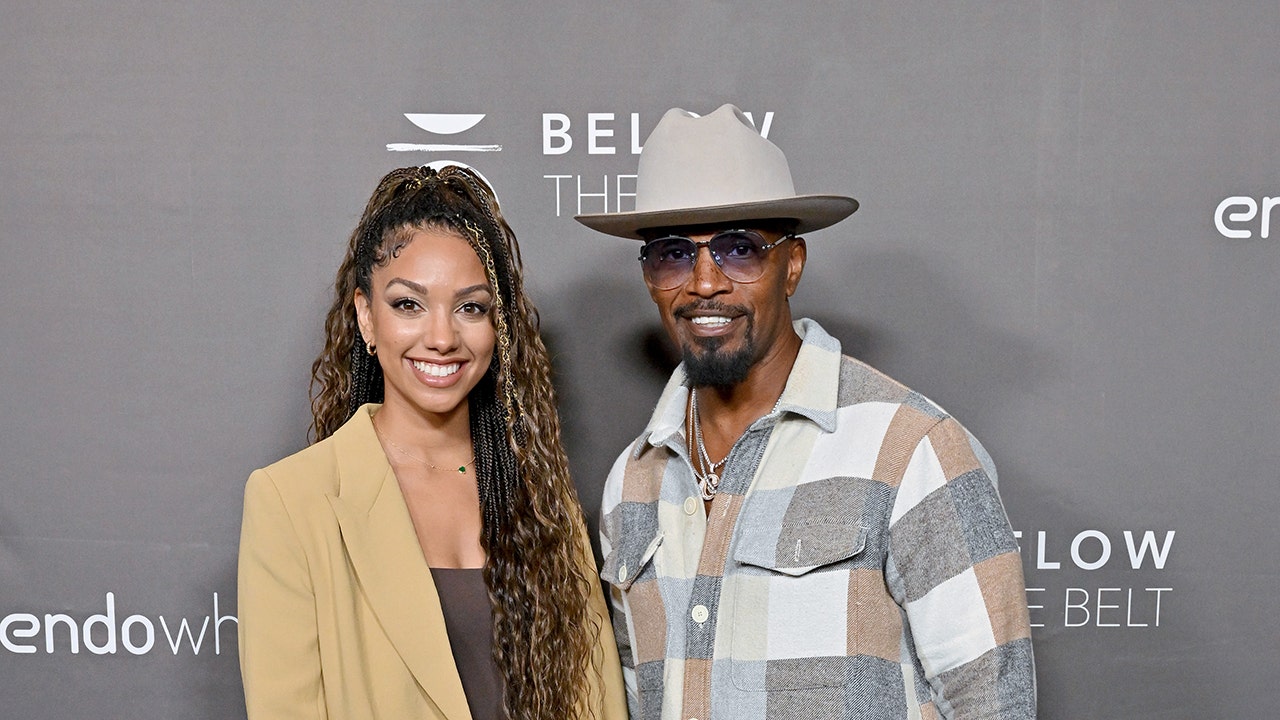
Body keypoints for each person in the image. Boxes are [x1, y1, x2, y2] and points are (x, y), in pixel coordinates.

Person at [576, 105, 1036, 719]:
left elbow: (992, 703)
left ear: (790, 266)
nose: (705, 283)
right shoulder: (632, 480)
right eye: (672, 254)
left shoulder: (910, 449)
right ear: (650, 277)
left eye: (739, 250)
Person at [238, 164, 627, 720]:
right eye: (408, 304)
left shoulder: (544, 502)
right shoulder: (292, 502)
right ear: (366, 318)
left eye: (471, 307)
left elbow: (599, 705)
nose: (442, 337)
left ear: (500, 327)